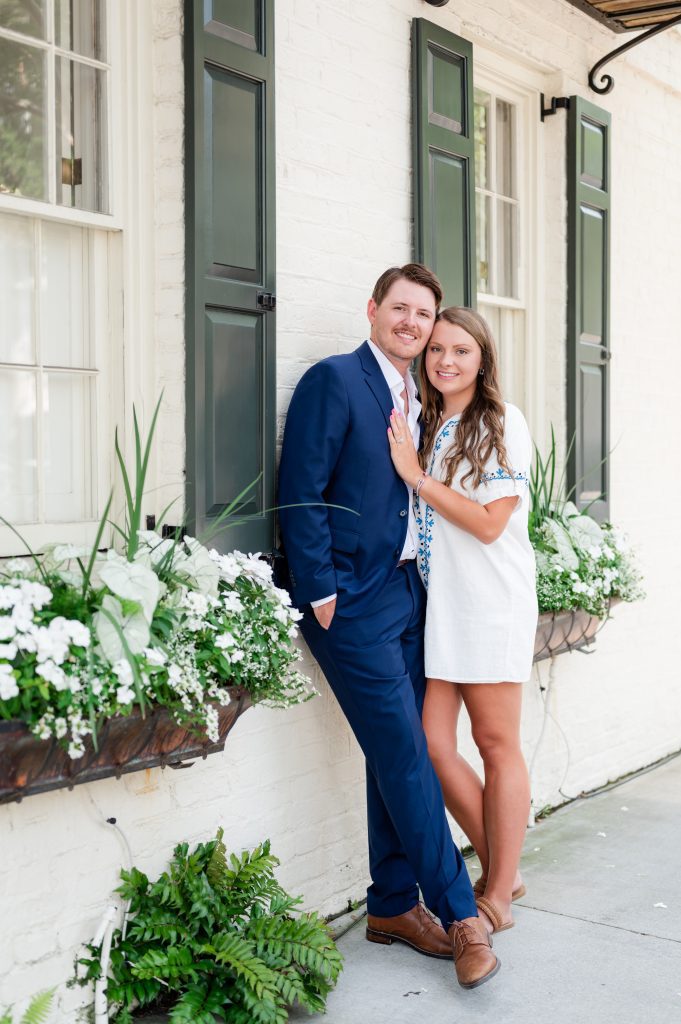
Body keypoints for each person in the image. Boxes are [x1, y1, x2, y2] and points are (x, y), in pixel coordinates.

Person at [278, 266, 499, 989]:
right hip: (352, 603)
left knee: (391, 754)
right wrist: (320, 593)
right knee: (408, 754)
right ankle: (462, 916)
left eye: (422, 314)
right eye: (399, 308)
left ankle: (392, 905)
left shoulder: (418, 397)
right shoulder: (334, 380)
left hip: (409, 596)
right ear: (372, 309)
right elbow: (301, 489)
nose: (411, 322)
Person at [387, 305, 537, 937]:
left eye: (461, 351)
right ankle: (508, 864)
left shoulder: (499, 422)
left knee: (497, 745)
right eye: (437, 350)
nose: (446, 360)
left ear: (483, 359)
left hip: (490, 601)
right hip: (442, 603)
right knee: (431, 745)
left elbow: (487, 523)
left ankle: (498, 889)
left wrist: (416, 479)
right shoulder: (428, 421)